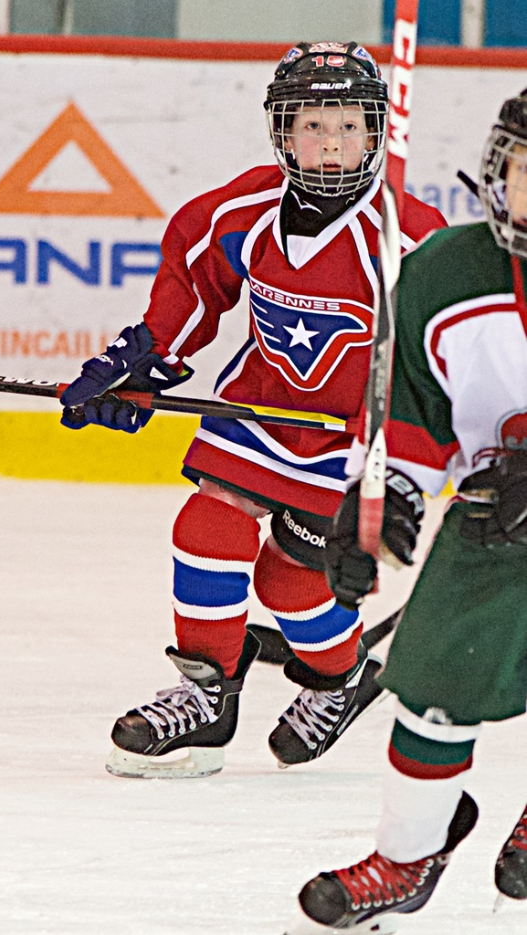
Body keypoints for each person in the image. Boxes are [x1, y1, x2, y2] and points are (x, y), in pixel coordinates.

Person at [60, 42, 445, 780]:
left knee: (291, 584)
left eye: (346, 126)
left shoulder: (412, 237)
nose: (329, 142)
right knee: (205, 526)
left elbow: (454, 340)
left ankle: (337, 677)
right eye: (310, 126)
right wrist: (141, 364)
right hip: (259, 408)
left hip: (351, 438)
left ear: (375, 132)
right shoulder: (245, 208)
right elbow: (193, 282)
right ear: (281, 133)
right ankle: (207, 696)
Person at [285, 88, 527, 933]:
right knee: (429, 686)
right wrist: (377, 505)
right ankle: (405, 855)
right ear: (497, 176)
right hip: (494, 523)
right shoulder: (446, 271)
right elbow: (415, 421)